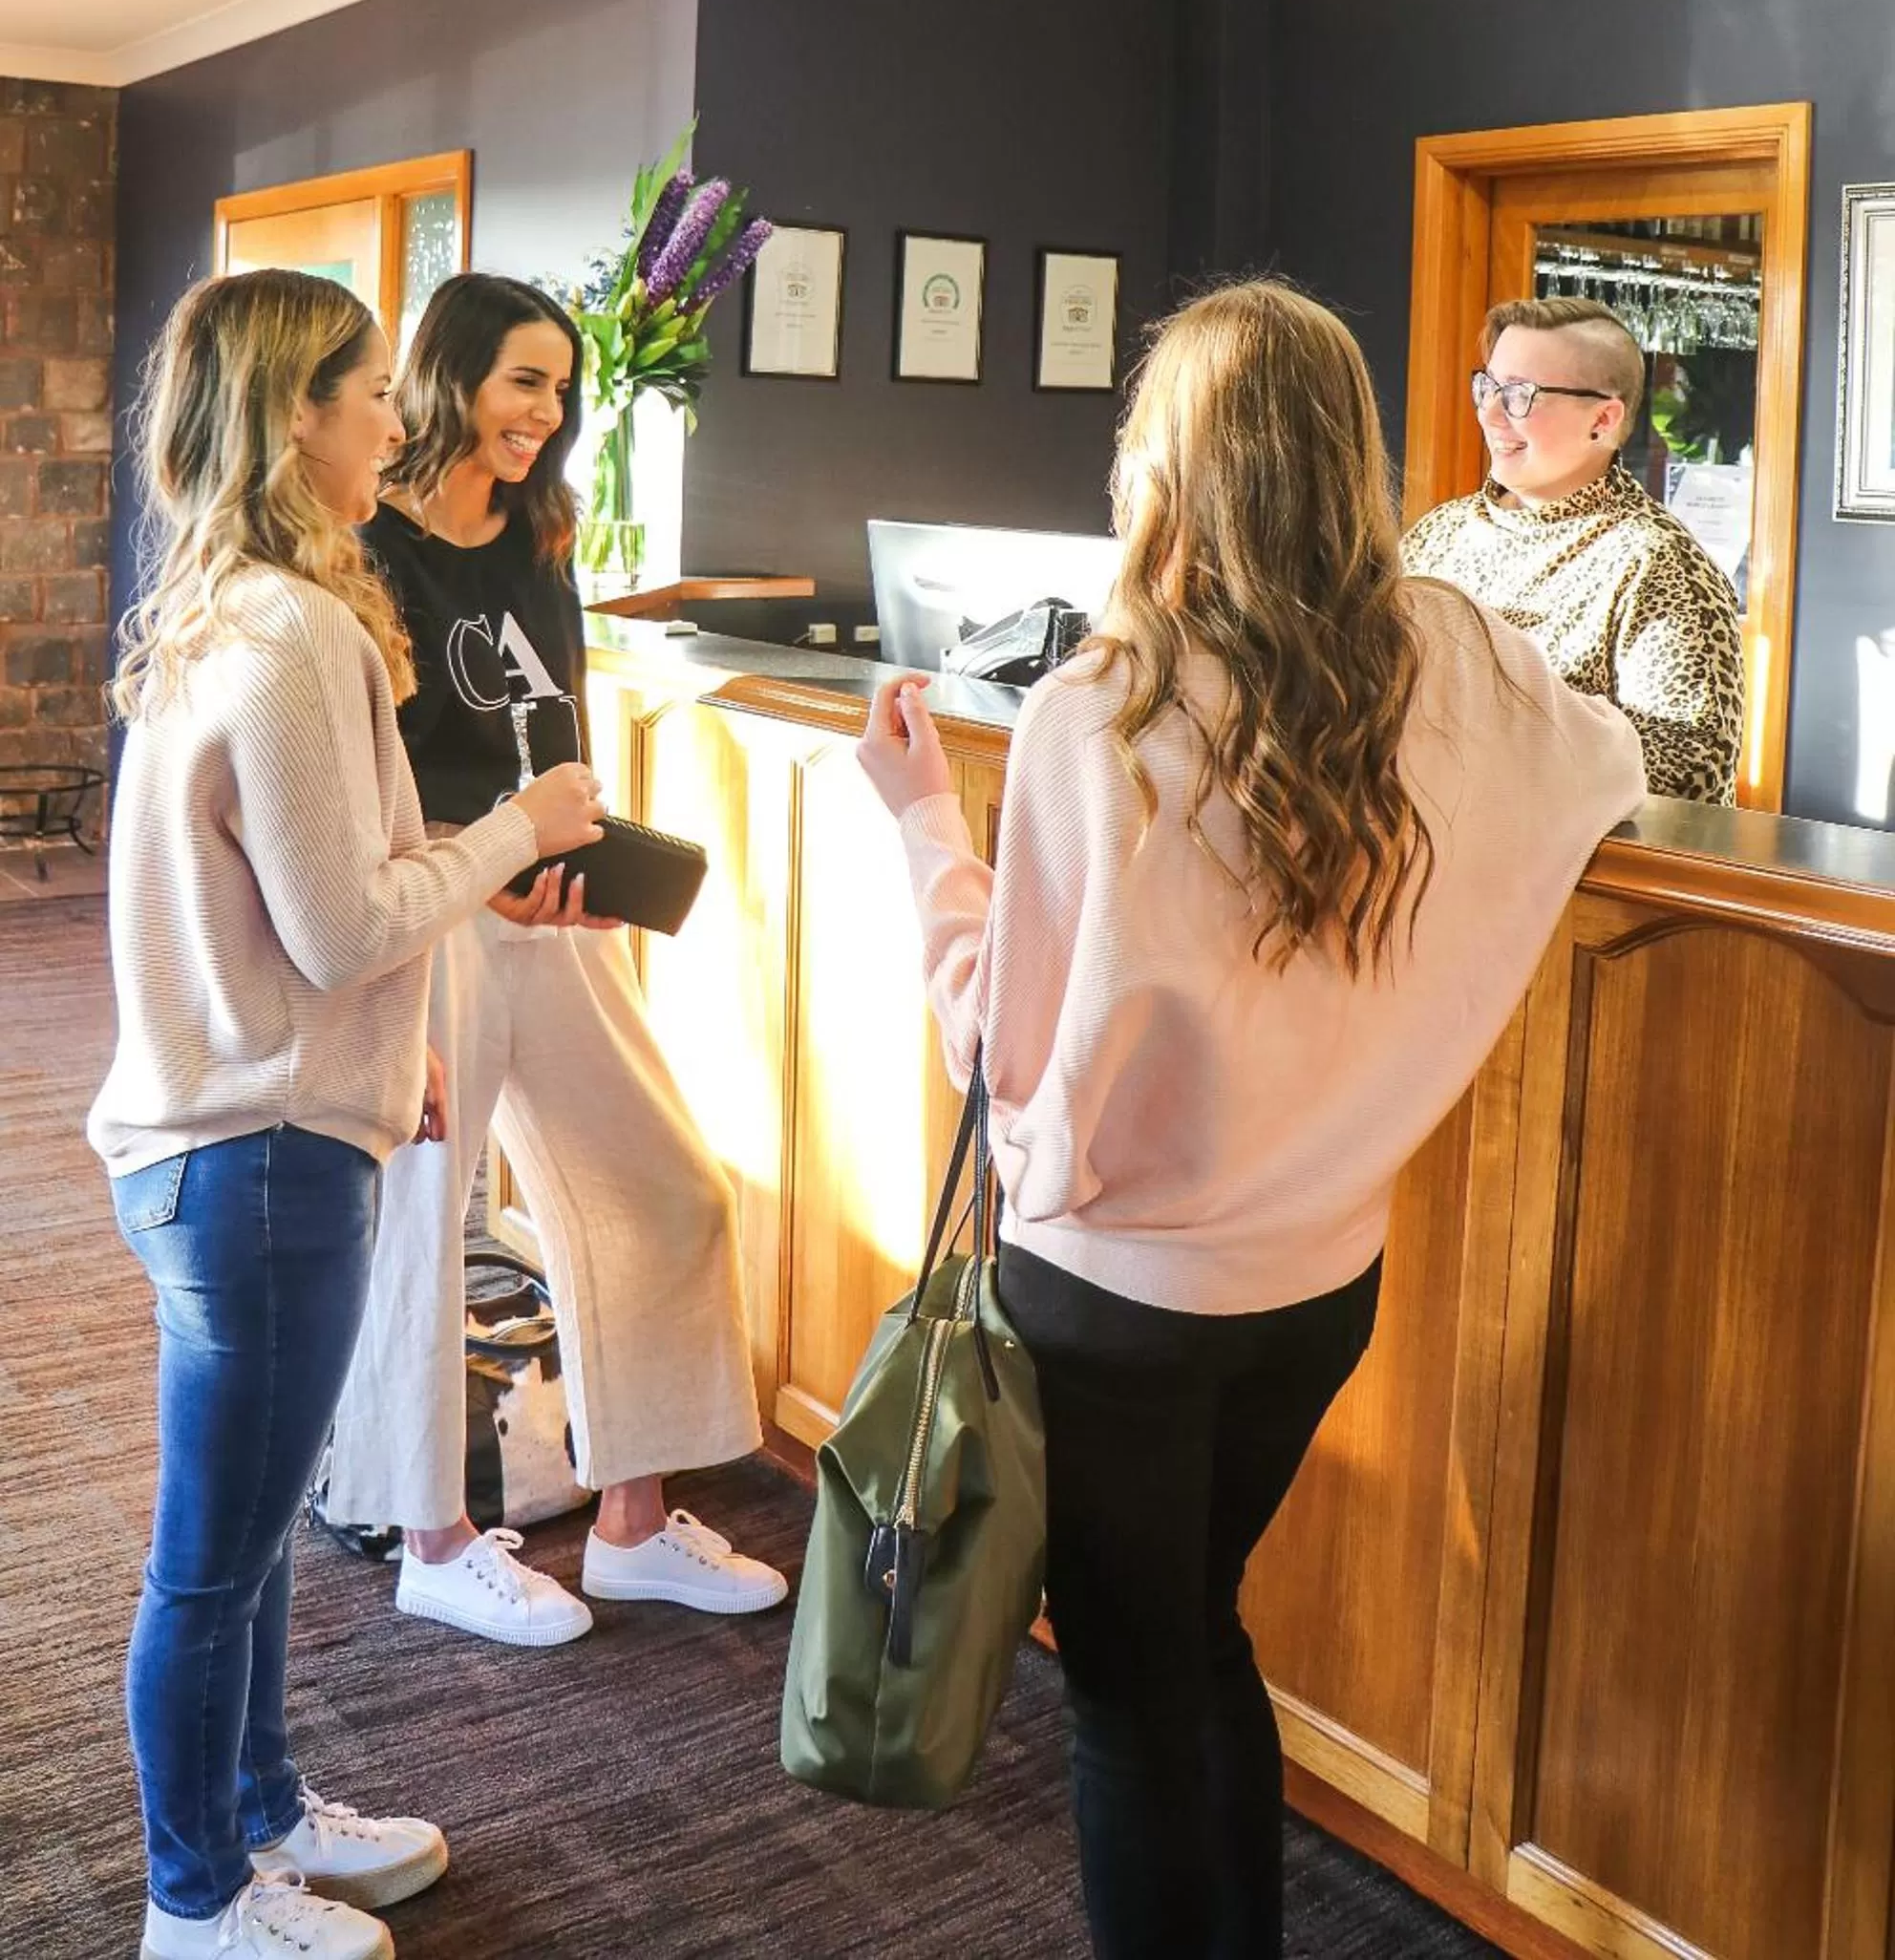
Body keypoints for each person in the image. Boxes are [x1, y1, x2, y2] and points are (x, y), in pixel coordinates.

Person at [855, 279, 1646, 1960]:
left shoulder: (1105, 710)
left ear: (1168, 463)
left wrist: (927, 826)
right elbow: (1615, 772)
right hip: (1315, 1288)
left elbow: (996, 1055)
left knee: (1131, 1690)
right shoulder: (1468, 659)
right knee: (1191, 1637)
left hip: (1113, 1300)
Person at [92, 269, 605, 1960]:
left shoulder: (223, 598)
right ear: (296, 416)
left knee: (240, 1542)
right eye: (374, 391)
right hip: (253, 1153)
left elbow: (284, 908)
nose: (404, 416)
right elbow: (348, 922)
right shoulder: (300, 628)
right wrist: (520, 828)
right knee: (211, 1559)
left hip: (238, 1125)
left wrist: (401, 1047)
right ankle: (196, 1898)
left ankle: (261, 1817)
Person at [326, 272, 781, 1645]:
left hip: (551, 905)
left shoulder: (540, 533)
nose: (548, 412)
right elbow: (373, 784)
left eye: (562, 388)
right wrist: (484, 867)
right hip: (435, 911)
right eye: (526, 379)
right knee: (425, 1217)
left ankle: (634, 1525)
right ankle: (431, 1536)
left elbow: (557, 734)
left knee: (667, 1190)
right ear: (453, 374)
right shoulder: (366, 553)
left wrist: (578, 865)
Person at [1402, 292, 1744, 800]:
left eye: (1520, 394)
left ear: (1603, 421)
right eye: (1489, 387)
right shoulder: (1439, 534)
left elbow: (1687, 769)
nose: (1491, 415)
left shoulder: (1655, 562)